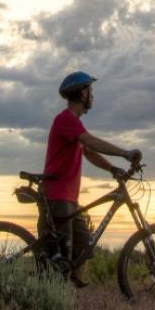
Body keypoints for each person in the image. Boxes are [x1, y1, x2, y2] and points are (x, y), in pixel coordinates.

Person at [41, 71, 142, 287]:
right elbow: (91, 142)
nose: (93, 96)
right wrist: (124, 153)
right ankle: (54, 294)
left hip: (68, 198)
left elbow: (88, 151)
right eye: (90, 91)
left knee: (83, 246)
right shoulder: (66, 119)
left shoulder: (74, 125)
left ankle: (72, 294)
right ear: (81, 93)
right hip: (58, 196)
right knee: (62, 256)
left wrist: (113, 169)